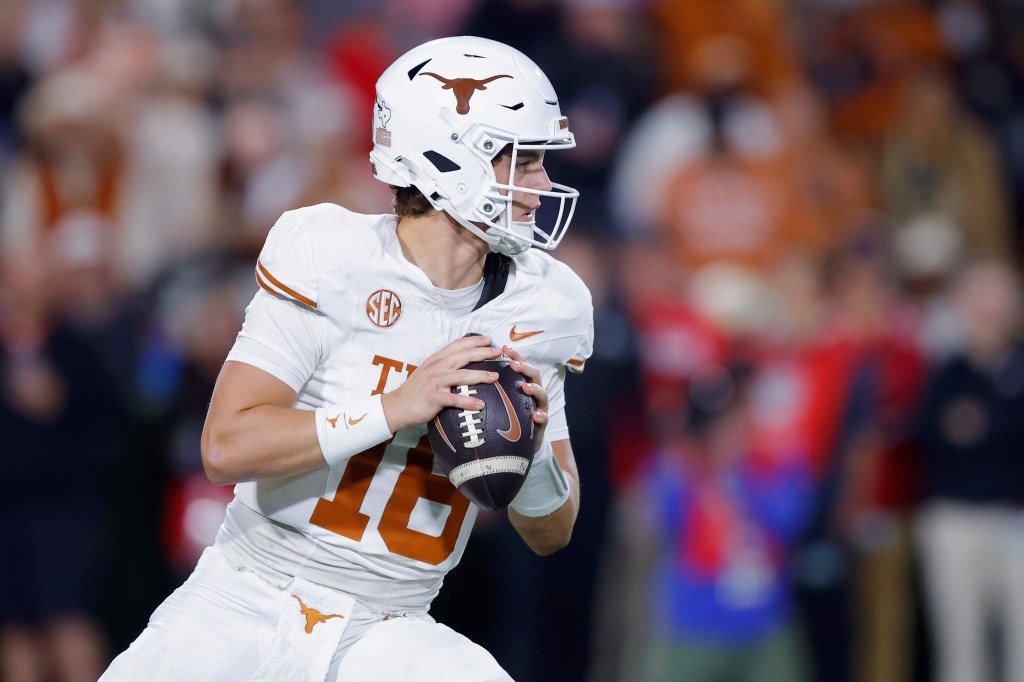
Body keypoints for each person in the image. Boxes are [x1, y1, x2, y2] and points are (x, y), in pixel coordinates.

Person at [100, 35, 593, 682]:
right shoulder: (332, 254)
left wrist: (525, 453)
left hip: (392, 628)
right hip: (248, 595)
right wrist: (395, 407)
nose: (542, 186)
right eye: (524, 162)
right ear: (450, 159)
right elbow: (225, 447)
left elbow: (551, 532)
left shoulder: (545, 304)